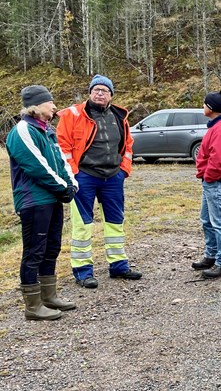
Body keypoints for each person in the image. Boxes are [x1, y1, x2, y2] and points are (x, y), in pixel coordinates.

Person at [57, 75, 141, 288]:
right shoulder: (73, 115)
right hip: (84, 177)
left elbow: (128, 144)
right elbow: (62, 146)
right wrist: (73, 174)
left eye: (104, 90)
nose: (100, 93)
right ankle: (83, 271)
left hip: (113, 177)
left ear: (111, 95)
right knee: (83, 224)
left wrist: (123, 170)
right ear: (90, 93)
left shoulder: (119, 116)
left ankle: (118, 265)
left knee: (115, 221)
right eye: (96, 90)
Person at [6, 86, 79, 320]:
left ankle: (49, 296)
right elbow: (37, 166)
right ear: (36, 106)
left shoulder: (48, 130)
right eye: (50, 102)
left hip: (52, 197)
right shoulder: (22, 131)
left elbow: (61, 161)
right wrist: (62, 187)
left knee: (52, 247)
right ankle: (33, 306)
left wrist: (72, 184)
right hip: (34, 200)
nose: (54, 106)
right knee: (34, 251)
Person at [191, 91, 221, 279]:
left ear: (211, 107)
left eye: (204, 104)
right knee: (207, 220)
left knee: (219, 223)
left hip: (216, 182)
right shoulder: (218, 125)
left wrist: (208, 177)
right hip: (211, 181)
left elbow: (218, 160)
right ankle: (211, 255)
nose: (202, 107)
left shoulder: (220, 128)